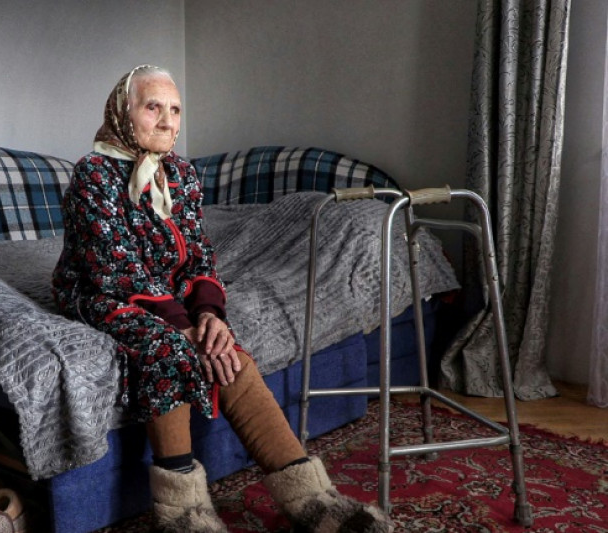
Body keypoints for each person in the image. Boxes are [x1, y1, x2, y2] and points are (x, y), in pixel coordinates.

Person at [52, 65, 392, 533]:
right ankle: (183, 515)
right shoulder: (93, 174)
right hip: (101, 290)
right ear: (122, 112)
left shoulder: (181, 174)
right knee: (169, 349)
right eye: (153, 107)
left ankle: (314, 501)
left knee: (226, 351)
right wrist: (183, 325)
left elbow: (197, 255)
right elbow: (116, 268)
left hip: (163, 293)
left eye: (175, 110)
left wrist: (210, 314)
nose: (167, 121)